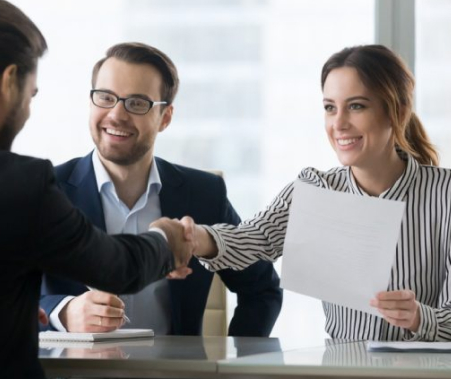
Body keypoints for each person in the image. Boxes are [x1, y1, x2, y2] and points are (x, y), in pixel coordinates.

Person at [0, 0, 192, 379]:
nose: (27, 110)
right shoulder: (17, 183)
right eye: (30, 94)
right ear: (9, 81)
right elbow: (116, 267)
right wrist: (165, 239)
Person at [172, 44, 451, 342]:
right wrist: (195, 238)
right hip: (339, 369)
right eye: (329, 107)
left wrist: (421, 317)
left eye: (356, 106)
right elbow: (255, 237)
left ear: (398, 110)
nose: (338, 123)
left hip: (421, 372)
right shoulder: (317, 189)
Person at [40, 42, 282, 337]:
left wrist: (235, 365)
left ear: (165, 117)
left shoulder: (204, 194)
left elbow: (262, 288)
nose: (116, 115)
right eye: (105, 98)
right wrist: (62, 312)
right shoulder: (43, 190)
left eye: (137, 103)